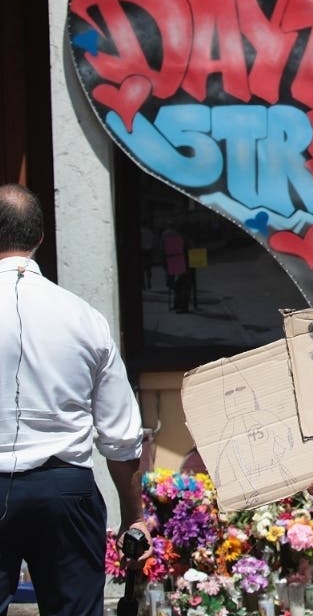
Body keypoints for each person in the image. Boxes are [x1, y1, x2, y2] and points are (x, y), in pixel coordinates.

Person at [0, 183, 150, 615]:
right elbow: (120, 437)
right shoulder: (84, 318)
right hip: (64, 491)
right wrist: (132, 515)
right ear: (41, 239)